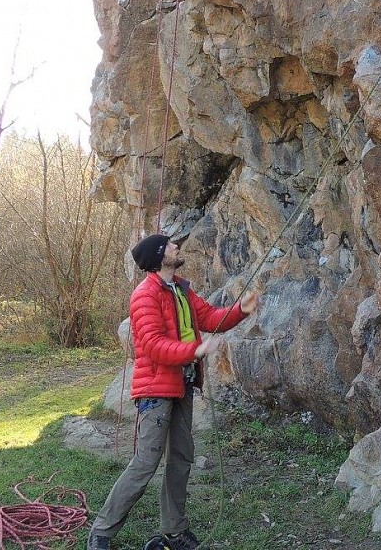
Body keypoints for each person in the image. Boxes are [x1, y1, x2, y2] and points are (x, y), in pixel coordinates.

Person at [87, 233, 260, 550]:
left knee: (181, 459)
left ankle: (174, 532)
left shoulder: (181, 289)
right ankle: (101, 532)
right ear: (158, 256)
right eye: (169, 245)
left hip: (183, 385)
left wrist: (240, 311)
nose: (176, 246)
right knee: (144, 463)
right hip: (155, 390)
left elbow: (209, 317)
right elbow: (151, 346)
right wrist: (196, 350)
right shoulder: (145, 295)